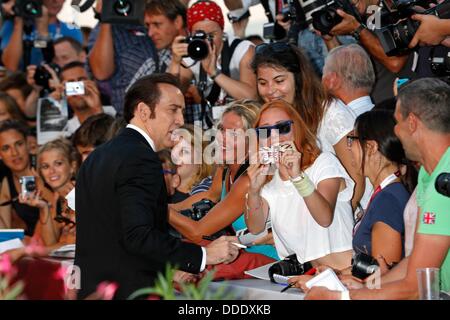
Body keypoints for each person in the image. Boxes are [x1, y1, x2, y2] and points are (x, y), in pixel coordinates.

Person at [74, 73, 240, 300]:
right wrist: (203, 255)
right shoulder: (140, 158)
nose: (181, 120)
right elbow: (138, 236)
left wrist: (170, 269)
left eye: (182, 110)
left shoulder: (97, 156)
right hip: (130, 292)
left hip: (94, 289)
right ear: (143, 111)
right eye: (173, 109)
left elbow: (117, 234)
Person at [303, 78, 450, 299]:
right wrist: (362, 288)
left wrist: (340, 297)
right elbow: (415, 262)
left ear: (412, 123)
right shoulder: (430, 175)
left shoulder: (442, 180)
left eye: (397, 123)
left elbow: (416, 285)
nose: (395, 133)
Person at [245, 100, 354, 270]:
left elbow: (324, 218)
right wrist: (253, 191)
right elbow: (255, 227)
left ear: (298, 129)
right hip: (308, 278)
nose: (274, 137)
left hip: (347, 273)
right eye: (265, 131)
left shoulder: (324, 163)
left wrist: (297, 177)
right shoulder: (270, 181)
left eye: (282, 128)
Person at [252, 43, 362, 210]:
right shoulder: (273, 121)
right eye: (263, 83)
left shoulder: (332, 114)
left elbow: (357, 179)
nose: (270, 90)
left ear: (298, 78)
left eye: (279, 81)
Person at [168, 100, 280, 260]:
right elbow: (209, 195)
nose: (222, 138)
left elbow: (198, 233)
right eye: (221, 130)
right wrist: (170, 207)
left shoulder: (248, 180)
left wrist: (159, 210)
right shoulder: (226, 168)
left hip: (268, 264)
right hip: (244, 258)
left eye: (234, 134)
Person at [169, 0, 257, 125]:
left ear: (222, 30)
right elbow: (171, 96)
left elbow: (252, 97)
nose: (207, 42)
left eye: (211, 35)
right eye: (200, 35)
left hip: (244, 126)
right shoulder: (191, 53)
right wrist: (175, 62)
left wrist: (214, 73)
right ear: (190, 34)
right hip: (211, 127)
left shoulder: (242, 50)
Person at [349, 110, 415, 265]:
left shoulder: (388, 199)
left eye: (352, 140)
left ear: (371, 147)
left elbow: (384, 273)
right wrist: (337, 274)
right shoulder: (389, 192)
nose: (349, 148)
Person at [87, 0, 157, 112]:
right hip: (129, 114)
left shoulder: (160, 20)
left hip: (164, 107)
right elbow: (101, 72)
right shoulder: (104, 30)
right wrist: (106, 17)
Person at [18, 138, 80, 249]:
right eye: (45, 166)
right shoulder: (57, 199)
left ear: (72, 166)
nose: (52, 171)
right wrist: (44, 207)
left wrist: (24, 252)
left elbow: (77, 245)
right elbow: (49, 243)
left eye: (58, 163)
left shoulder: (83, 192)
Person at [1, 0, 82, 71]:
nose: (55, 1)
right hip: (23, 85)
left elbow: (75, 69)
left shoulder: (72, 31)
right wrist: (18, 19)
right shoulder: (13, 26)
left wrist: (43, 32)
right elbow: (10, 67)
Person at [0, 120, 48, 237]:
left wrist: (42, 187)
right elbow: (4, 232)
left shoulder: (47, 168)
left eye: (19, 144)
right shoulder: (7, 181)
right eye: (6, 148)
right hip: (32, 248)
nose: (14, 153)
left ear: (28, 144)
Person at [128, 0, 187, 88]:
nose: (150, 33)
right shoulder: (154, 62)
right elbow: (131, 97)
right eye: (148, 25)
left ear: (177, 22)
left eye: (157, 24)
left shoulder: (204, 53)